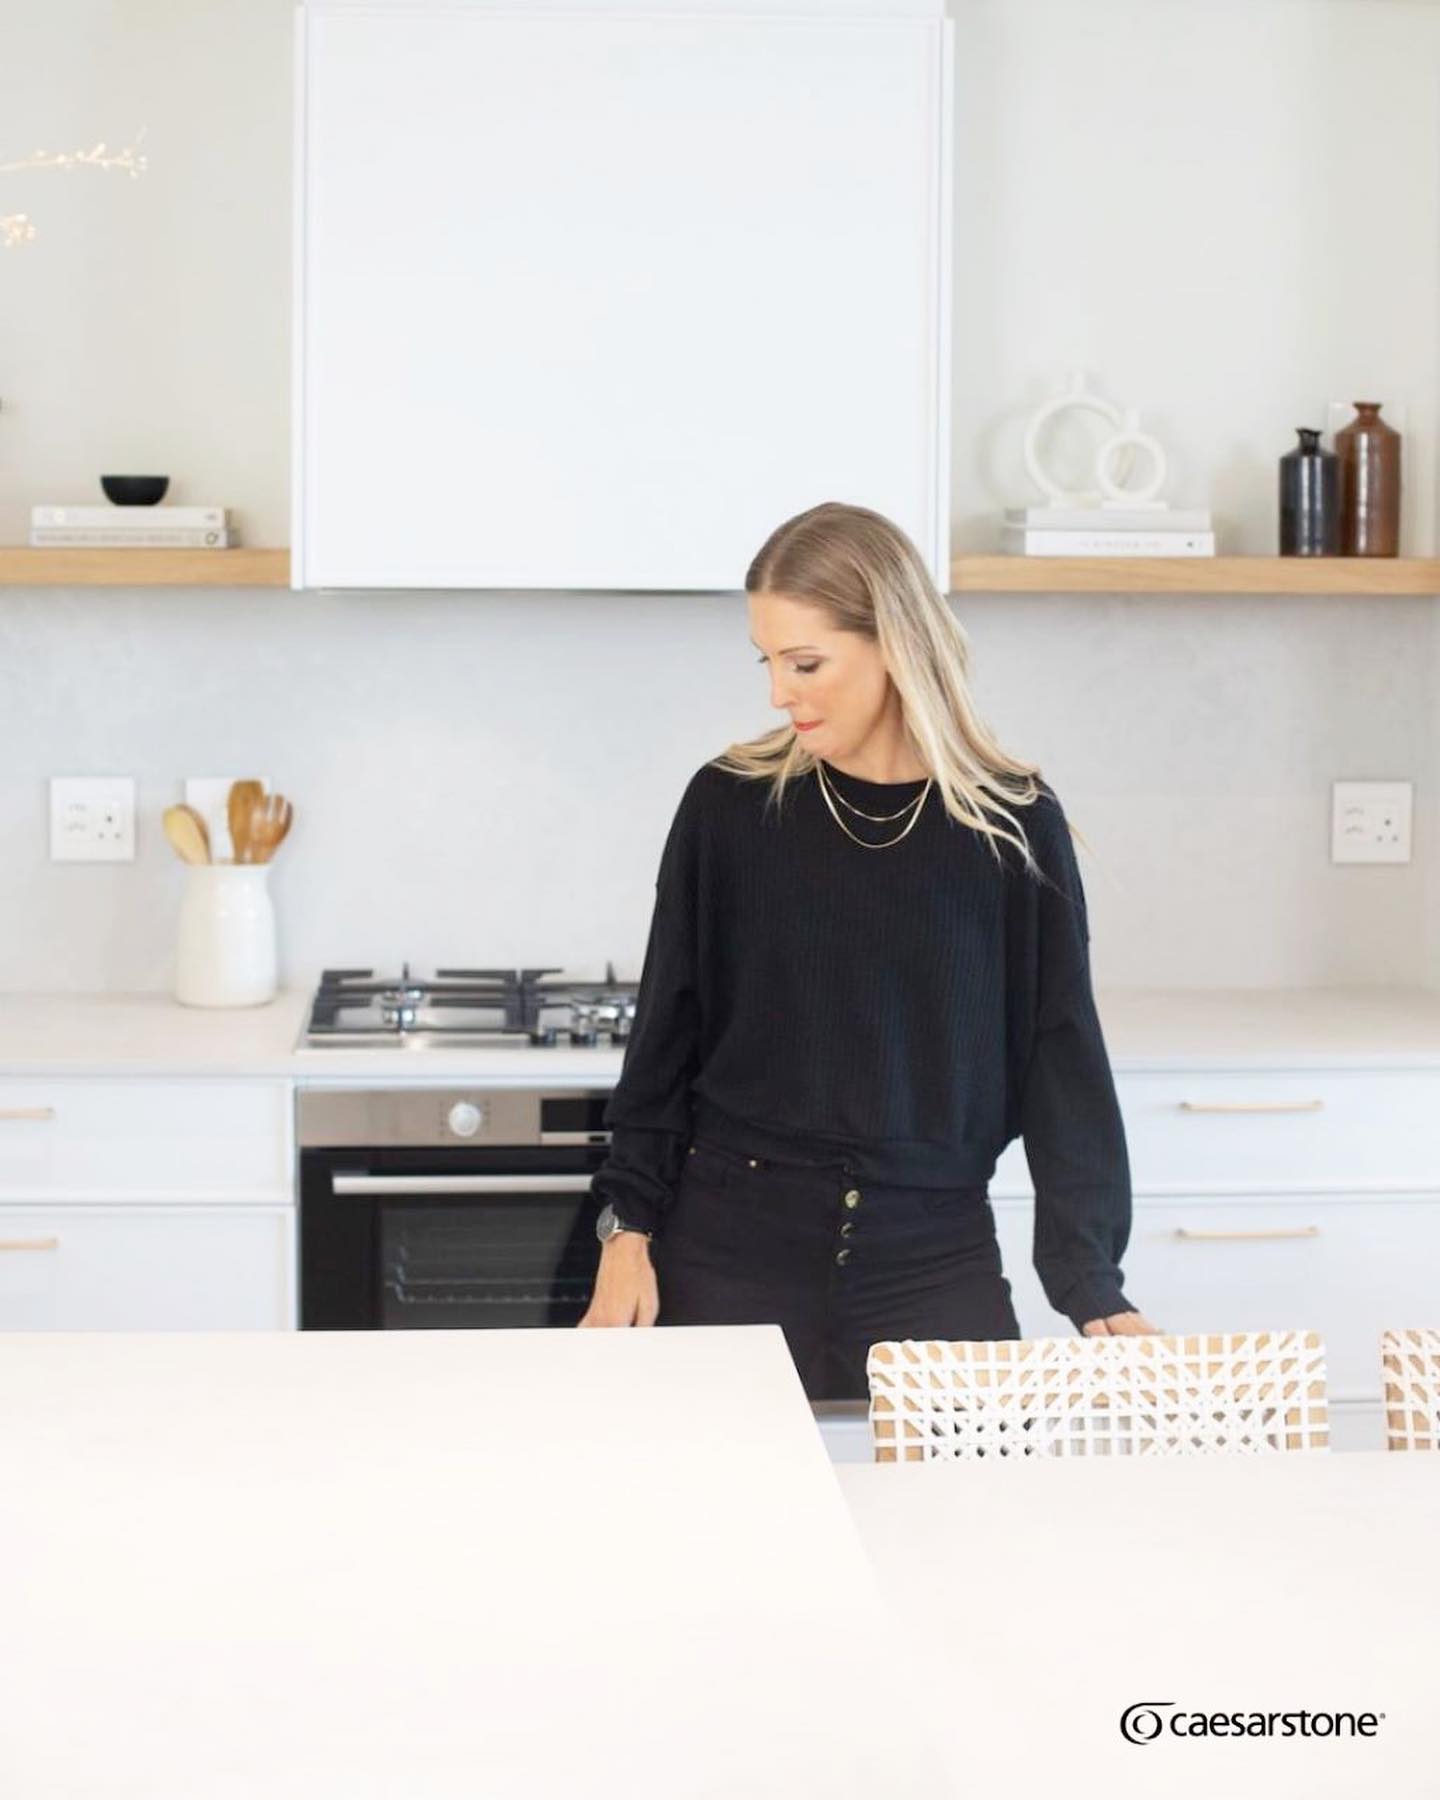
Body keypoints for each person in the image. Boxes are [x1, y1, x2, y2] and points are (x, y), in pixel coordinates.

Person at [577, 500, 1158, 1396]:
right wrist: (627, 1231)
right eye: (768, 662)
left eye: (805, 662)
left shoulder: (1010, 828)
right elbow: (666, 1038)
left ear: (894, 641)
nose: (779, 691)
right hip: (727, 1253)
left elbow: (1061, 1057)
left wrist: (1089, 1283)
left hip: (935, 1258)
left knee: (969, 1528)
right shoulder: (730, 807)